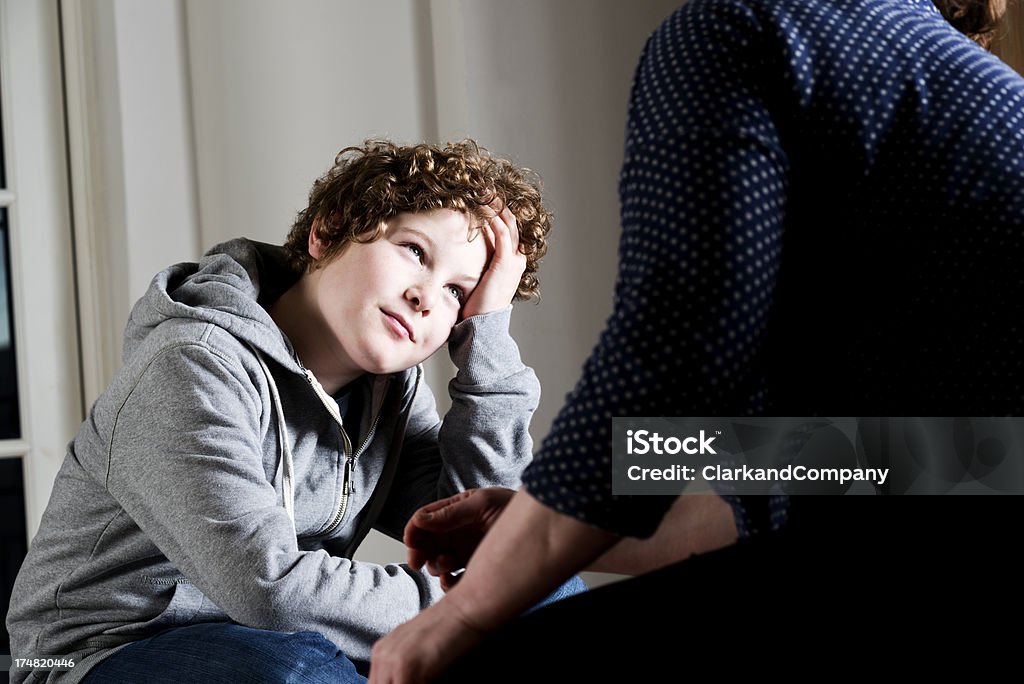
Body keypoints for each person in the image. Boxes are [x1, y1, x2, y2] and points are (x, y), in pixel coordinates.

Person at [369, 0, 1024, 681]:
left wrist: (469, 609)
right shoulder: (966, 79)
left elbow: (675, 353)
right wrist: (538, 519)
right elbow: (890, 461)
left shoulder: (743, 25)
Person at [6, 139, 574, 684]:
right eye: (414, 252)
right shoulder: (192, 365)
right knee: (300, 674)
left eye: (457, 292)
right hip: (103, 655)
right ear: (327, 233)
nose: (426, 296)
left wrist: (488, 339)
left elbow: (483, 531)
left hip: (276, 641)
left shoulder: (391, 392)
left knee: (554, 587)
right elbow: (268, 585)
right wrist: (476, 600)